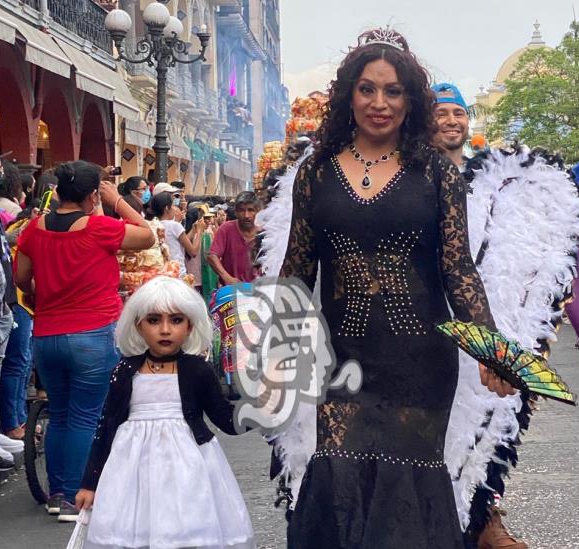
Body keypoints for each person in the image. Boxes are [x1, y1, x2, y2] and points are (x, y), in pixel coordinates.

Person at [279, 29, 514, 549]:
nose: (379, 104)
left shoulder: (435, 173)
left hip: (420, 361)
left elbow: (458, 269)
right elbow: (296, 270)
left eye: (393, 91)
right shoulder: (315, 172)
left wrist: (491, 349)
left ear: (412, 100)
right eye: (367, 89)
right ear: (349, 96)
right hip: (341, 358)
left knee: (407, 491)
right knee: (338, 477)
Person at [14, 160, 155, 521]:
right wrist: (118, 200)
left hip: (46, 335)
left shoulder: (34, 228)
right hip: (91, 334)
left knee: (60, 413)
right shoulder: (98, 228)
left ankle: (57, 492)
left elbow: (22, 277)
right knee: (84, 416)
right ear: (93, 195)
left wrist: (41, 297)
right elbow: (147, 235)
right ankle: (73, 496)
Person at [75, 276, 255, 549]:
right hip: (131, 472)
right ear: (138, 325)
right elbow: (106, 428)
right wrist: (90, 483)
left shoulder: (198, 370)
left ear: (191, 325)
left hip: (191, 472)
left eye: (176, 320)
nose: (165, 330)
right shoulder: (125, 371)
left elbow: (226, 420)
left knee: (187, 535)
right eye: (154, 320)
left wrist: (266, 407)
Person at [433, 82, 528, 549]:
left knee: (490, 416)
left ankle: (485, 516)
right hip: (427, 315)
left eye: (459, 112)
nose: (452, 120)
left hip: (487, 311)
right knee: (440, 422)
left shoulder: (494, 179)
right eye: (441, 111)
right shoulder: (410, 175)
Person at [207, 191, 259, 286]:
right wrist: (227, 277)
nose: (246, 215)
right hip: (230, 291)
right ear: (235, 212)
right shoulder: (226, 229)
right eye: (241, 210)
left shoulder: (266, 233)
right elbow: (212, 256)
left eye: (251, 210)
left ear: (258, 211)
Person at [146, 191, 202, 276]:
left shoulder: (154, 225)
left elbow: (181, 241)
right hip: (177, 272)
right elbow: (193, 252)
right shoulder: (174, 226)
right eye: (172, 205)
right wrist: (199, 231)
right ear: (167, 208)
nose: (174, 208)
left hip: (161, 272)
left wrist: (193, 230)